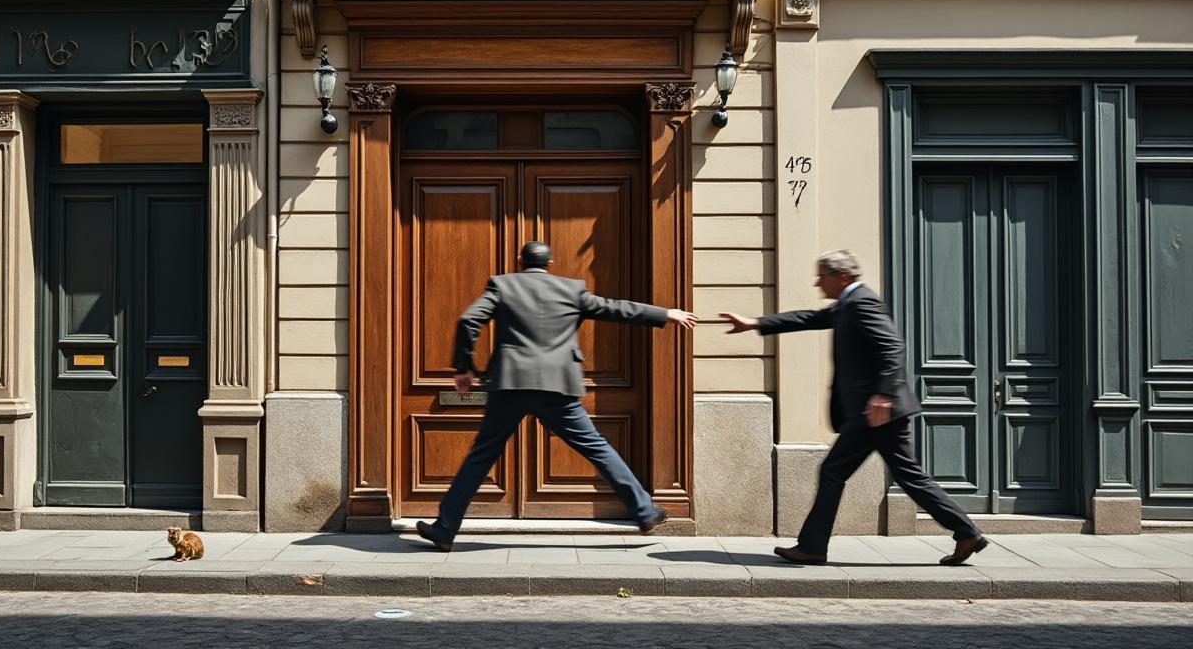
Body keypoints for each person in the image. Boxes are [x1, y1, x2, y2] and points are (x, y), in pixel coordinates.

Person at [415, 240, 698, 552]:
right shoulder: (571, 290)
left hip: (511, 385)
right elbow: (616, 308)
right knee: (596, 448)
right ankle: (644, 510)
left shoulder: (502, 286)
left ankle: (445, 528)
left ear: (519, 261)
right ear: (551, 264)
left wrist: (464, 368)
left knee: (481, 456)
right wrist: (664, 314)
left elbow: (468, 320)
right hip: (557, 386)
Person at [720, 249, 989, 566]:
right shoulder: (849, 304)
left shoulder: (861, 302)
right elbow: (810, 317)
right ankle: (966, 532)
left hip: (876, 412)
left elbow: (893, 347)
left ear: (842, 276)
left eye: (822, 275)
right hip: (874, 414)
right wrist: (756, 323)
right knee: (906, 477)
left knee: (836, 471)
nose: (818, 282)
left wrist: (883, 395)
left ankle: (812, 547)